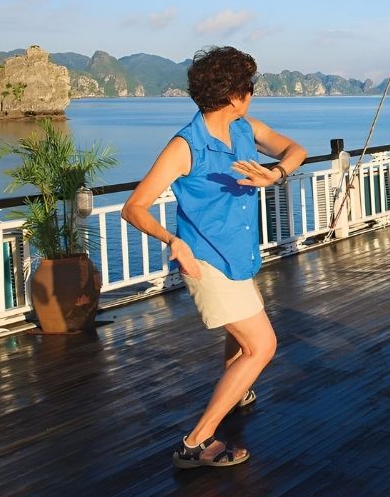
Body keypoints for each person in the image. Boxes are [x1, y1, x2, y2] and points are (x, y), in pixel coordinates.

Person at [121, 46, 307, 469]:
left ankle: (236, 390)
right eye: (249, 87)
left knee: (240, 340)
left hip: (238, 255)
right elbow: (135, 207)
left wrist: (275, 174)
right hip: (203, 259)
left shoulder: (245, 129)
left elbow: (294, 150)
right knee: (262, 346)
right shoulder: (186, 146)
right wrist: (173, 240)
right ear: (234, 94)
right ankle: (194, 442)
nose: (252, 95)